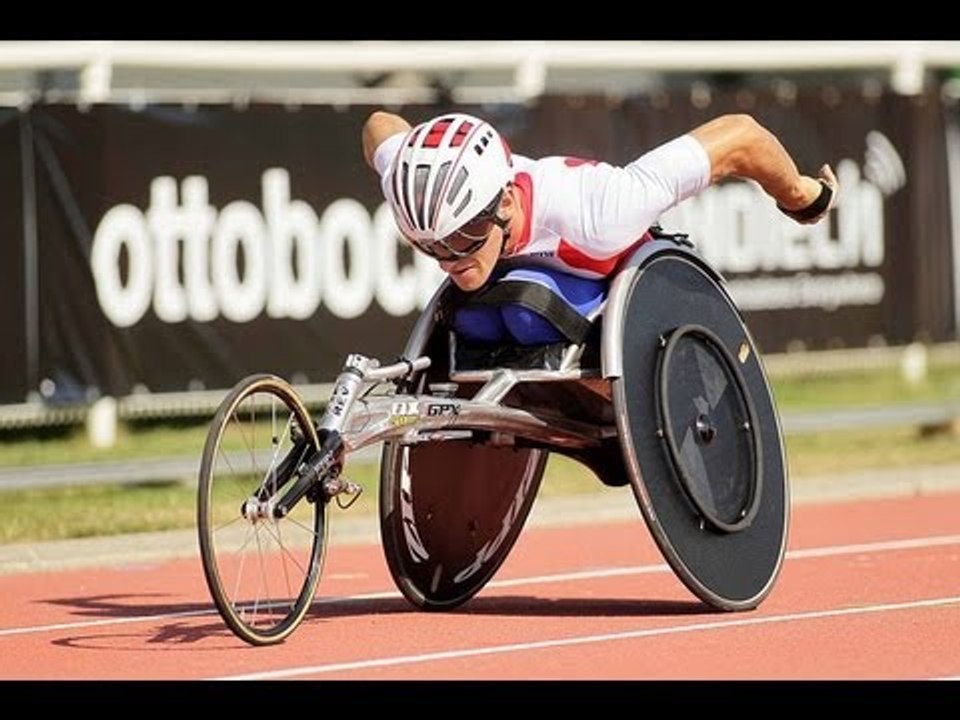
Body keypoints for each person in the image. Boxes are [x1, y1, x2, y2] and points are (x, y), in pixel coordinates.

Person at [362, 109, 838, 345]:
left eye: (464, 237)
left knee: (522, 314)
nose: (450, 258)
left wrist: (801, 196)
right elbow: (380, 126)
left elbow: (743, 138)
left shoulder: (603, 209)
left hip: (608, 278)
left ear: (503, 203)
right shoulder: (417, 188)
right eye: (430, 246)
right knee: (476, 318)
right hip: (524, 282)